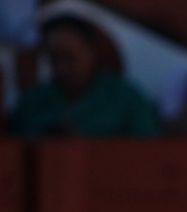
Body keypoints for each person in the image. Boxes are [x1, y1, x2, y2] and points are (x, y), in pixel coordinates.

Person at [7, 15, 160, 137]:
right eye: (54, 59)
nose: (61, 67)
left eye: (69, 57)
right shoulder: (31, 103)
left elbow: (149, 152)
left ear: (91, 53)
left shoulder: (128, 101)